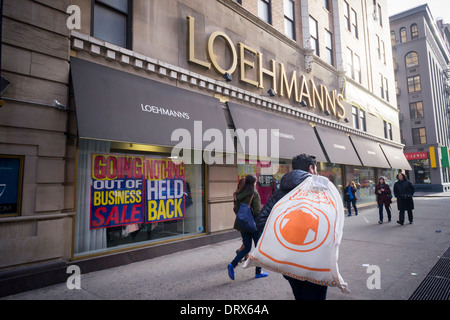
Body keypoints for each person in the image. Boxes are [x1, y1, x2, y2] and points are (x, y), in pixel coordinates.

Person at [255, 154, 328, 300]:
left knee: (299, 295)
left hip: (288, 262)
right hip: (313, 260)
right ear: (311, 168)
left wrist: (282, 244)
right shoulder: (318, 188)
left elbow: (261, 221)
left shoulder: (281, 189)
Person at [228, 175, 268, 280]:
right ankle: (258, 272)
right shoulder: (254, 194)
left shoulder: (239, 193)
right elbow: (258, 212)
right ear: (254, 183)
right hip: (253, 225)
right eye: (256, 182)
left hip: (242, 224)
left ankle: (233, 264)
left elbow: (236, 209)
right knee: (259, 247)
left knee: (246, 247)